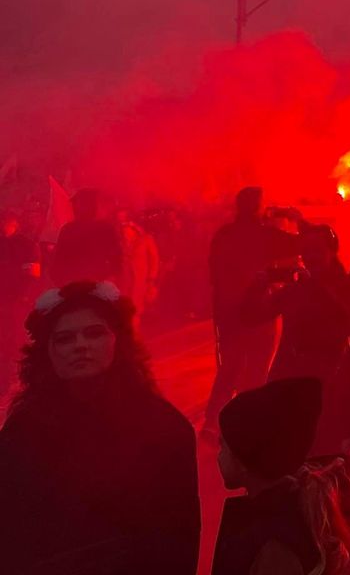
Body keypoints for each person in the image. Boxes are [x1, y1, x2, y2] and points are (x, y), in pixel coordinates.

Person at [0, 280, 200, 574]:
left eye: (94, 333)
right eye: (65, 338)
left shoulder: (163, 426)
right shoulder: (24, 429)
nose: (80, 345)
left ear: (117, 341)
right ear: (48, 352)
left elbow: (179, 534)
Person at [213, 376, 350, 575]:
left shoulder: (275, 545)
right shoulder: (286, 508)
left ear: (244, 458)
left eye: (223, 446)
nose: (218, 455)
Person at [244, 224, 350, 459]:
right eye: (306, 250)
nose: (310, 256)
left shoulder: (345, 287)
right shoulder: (298, 289)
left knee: (326, 457)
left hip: (327, 383)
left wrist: (313, 287)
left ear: (332, 251)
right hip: (290, 379)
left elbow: (347, 321)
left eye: (317, 250)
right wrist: (257, 287)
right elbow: (253, 315)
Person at [204, 187, 298, 438]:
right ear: (257, 207)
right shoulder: (263, 235)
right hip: (258, 312)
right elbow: (305, 244)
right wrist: (296, 218)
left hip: (229, 312)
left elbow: (214, 275)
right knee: (257, 369)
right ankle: (246, 423)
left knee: (229, 368)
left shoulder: (224, 234)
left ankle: (213, 423)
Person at [50, 188, 124, 287]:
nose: (75, 209)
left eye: (78, 205)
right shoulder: (69, 229)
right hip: (82, 285)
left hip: (90, 285)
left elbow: (116, 259)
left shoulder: (105, 229)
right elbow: (59, 261)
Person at [0, 211, 39, 376]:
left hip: (17, 298)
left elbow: (33, 273)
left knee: (15, 336)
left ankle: (15, 371)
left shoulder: (26, 245)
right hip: (3, 296)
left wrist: (26, 295)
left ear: (14, 224)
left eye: (5, 222)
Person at [116, 208, 160, 324]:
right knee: (125, 310)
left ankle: (135, 333)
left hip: (140, 281)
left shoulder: (146, 239)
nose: (125, 231)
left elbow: (154, 260)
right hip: (125, 282)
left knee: (136, 310)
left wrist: (151, 279)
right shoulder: (120, 243)